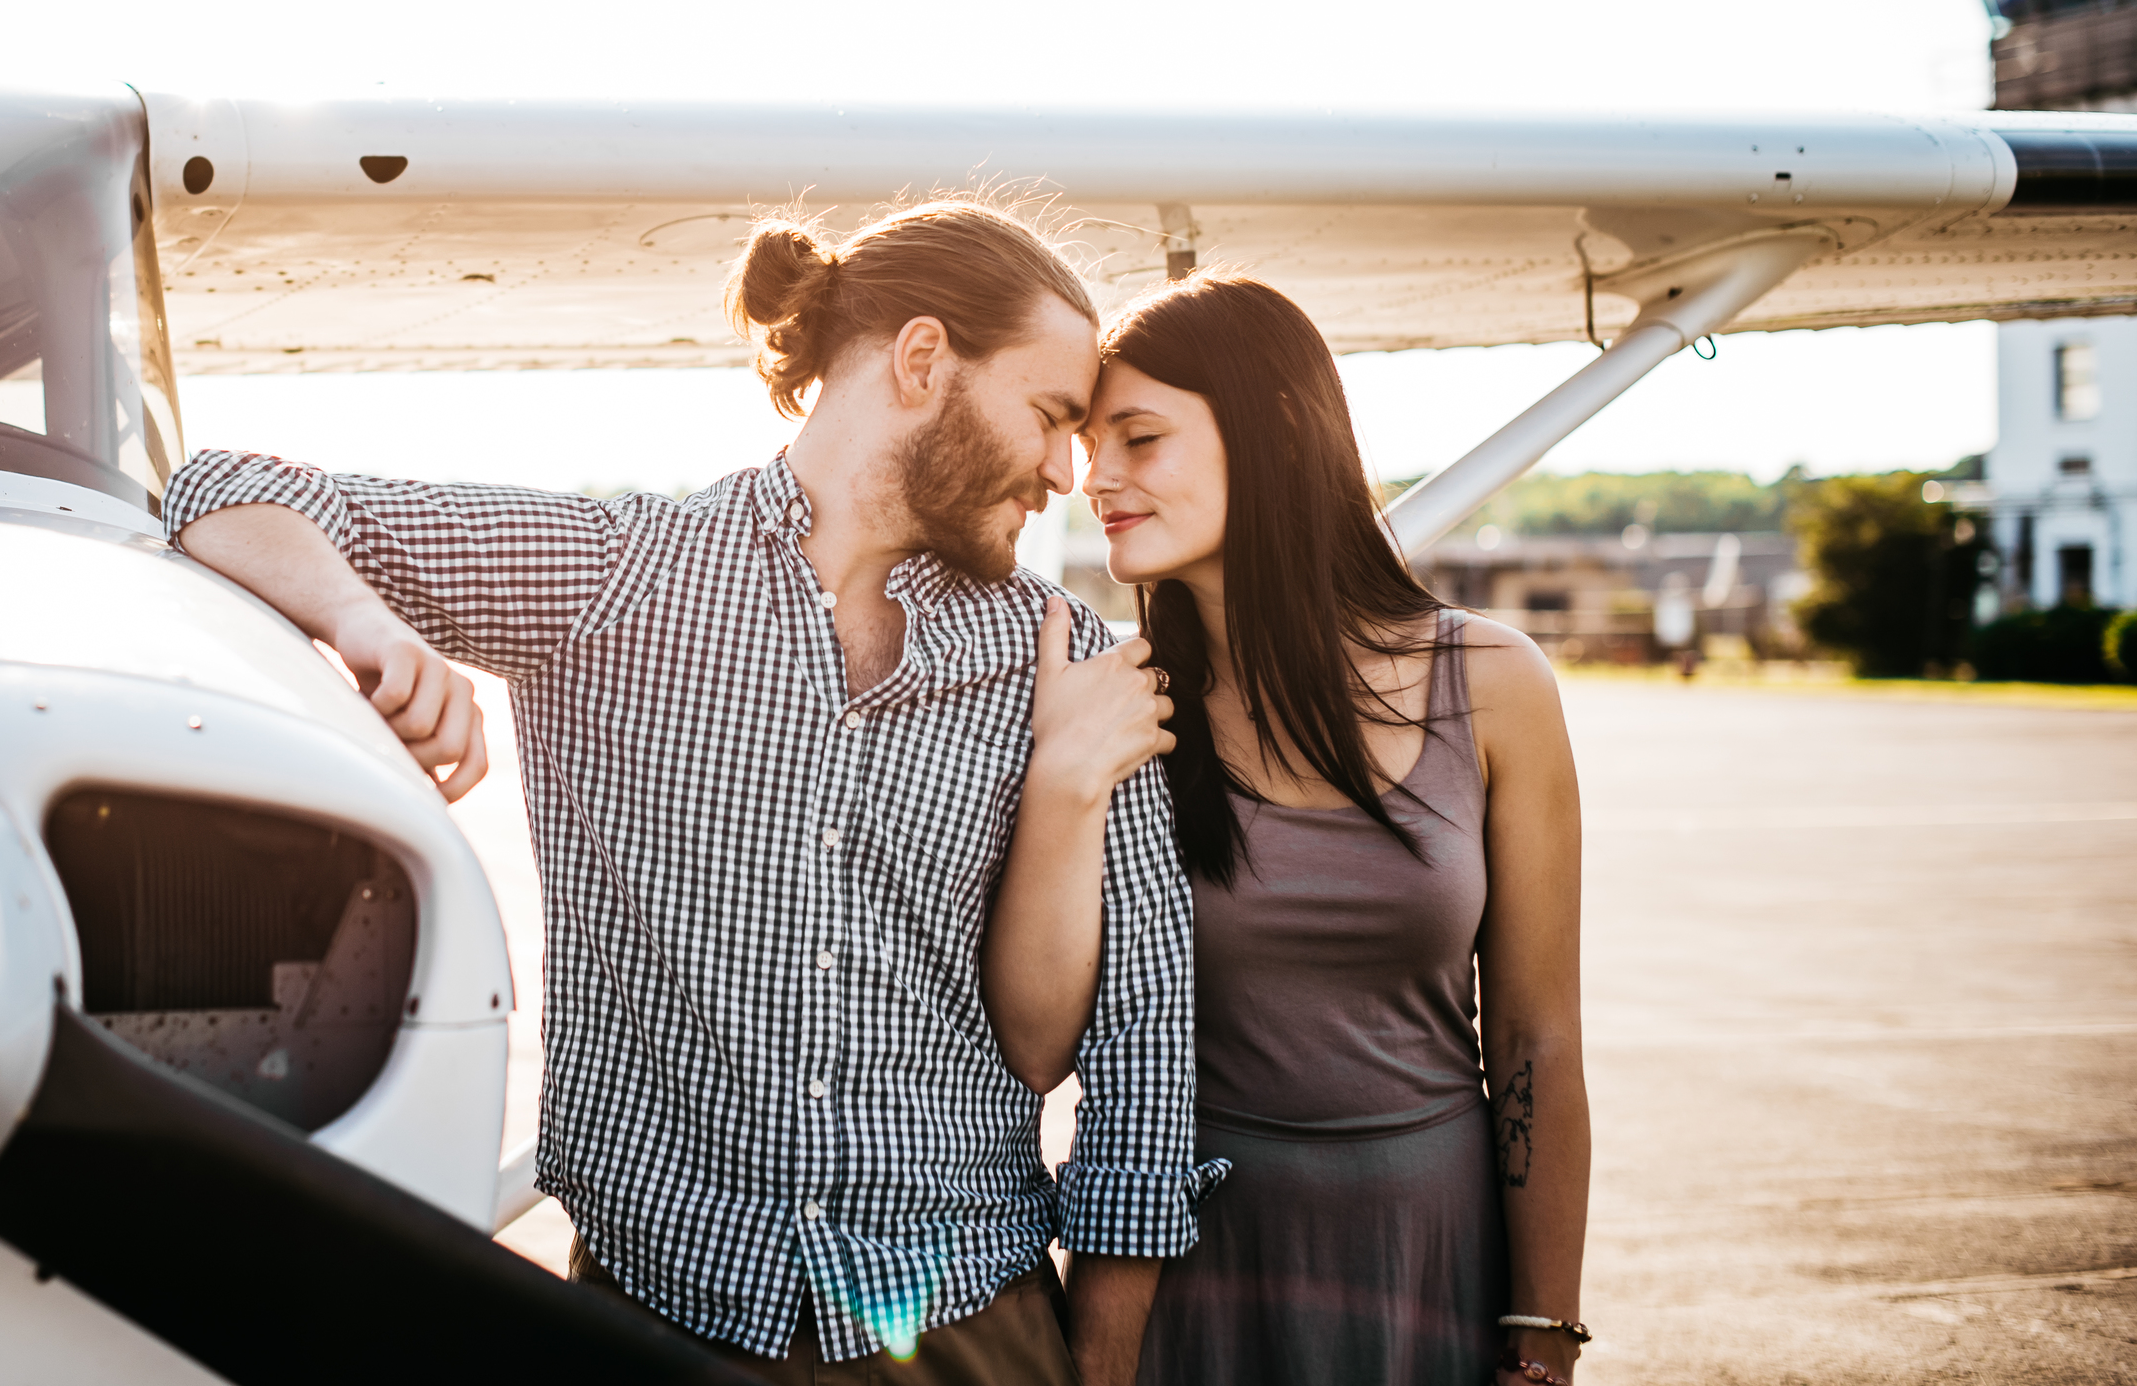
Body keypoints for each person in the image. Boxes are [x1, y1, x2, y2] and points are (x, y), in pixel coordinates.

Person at [162, 199, 1220, 1386]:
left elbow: (1143, 1051)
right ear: (922, 361)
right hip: (659, 1315)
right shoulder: (623, 574)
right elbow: (219, 488)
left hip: (971, 1329)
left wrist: (1104, 1364)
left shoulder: (1062, 653)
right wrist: (366, 618)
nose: (1066, 471)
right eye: (1048, 416)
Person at [989, 272, 1591, 1386]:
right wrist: (1065, 779)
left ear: (1271, 430)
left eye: (1138, 437)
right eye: (1085, 437)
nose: (1092, 476)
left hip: (1430, 1254)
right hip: (1194, 1267)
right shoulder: (1120, 707)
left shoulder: (1493, 683)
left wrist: (1543, 1332)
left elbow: (1534, 1042)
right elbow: (1042, 1042)